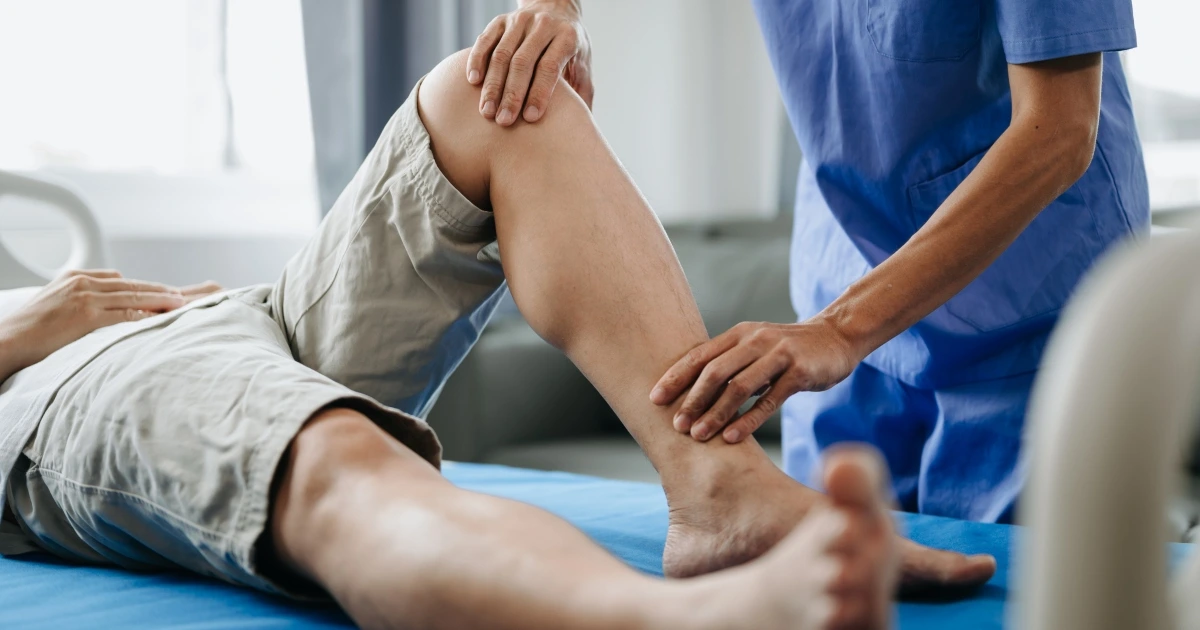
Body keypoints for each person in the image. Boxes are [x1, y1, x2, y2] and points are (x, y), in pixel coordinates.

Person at [0, 50, 998, 629]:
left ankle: (718, 489)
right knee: (338, 454)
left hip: (241, 314)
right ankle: (670, 620)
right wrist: (24, 324)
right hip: (58, 381)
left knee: (492, 92)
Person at [468, 0, 1148, 523]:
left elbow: (1060, 131)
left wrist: (842, 329)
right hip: (846, 279)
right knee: (830, 590)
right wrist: (557, 8)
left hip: (1037, 313)